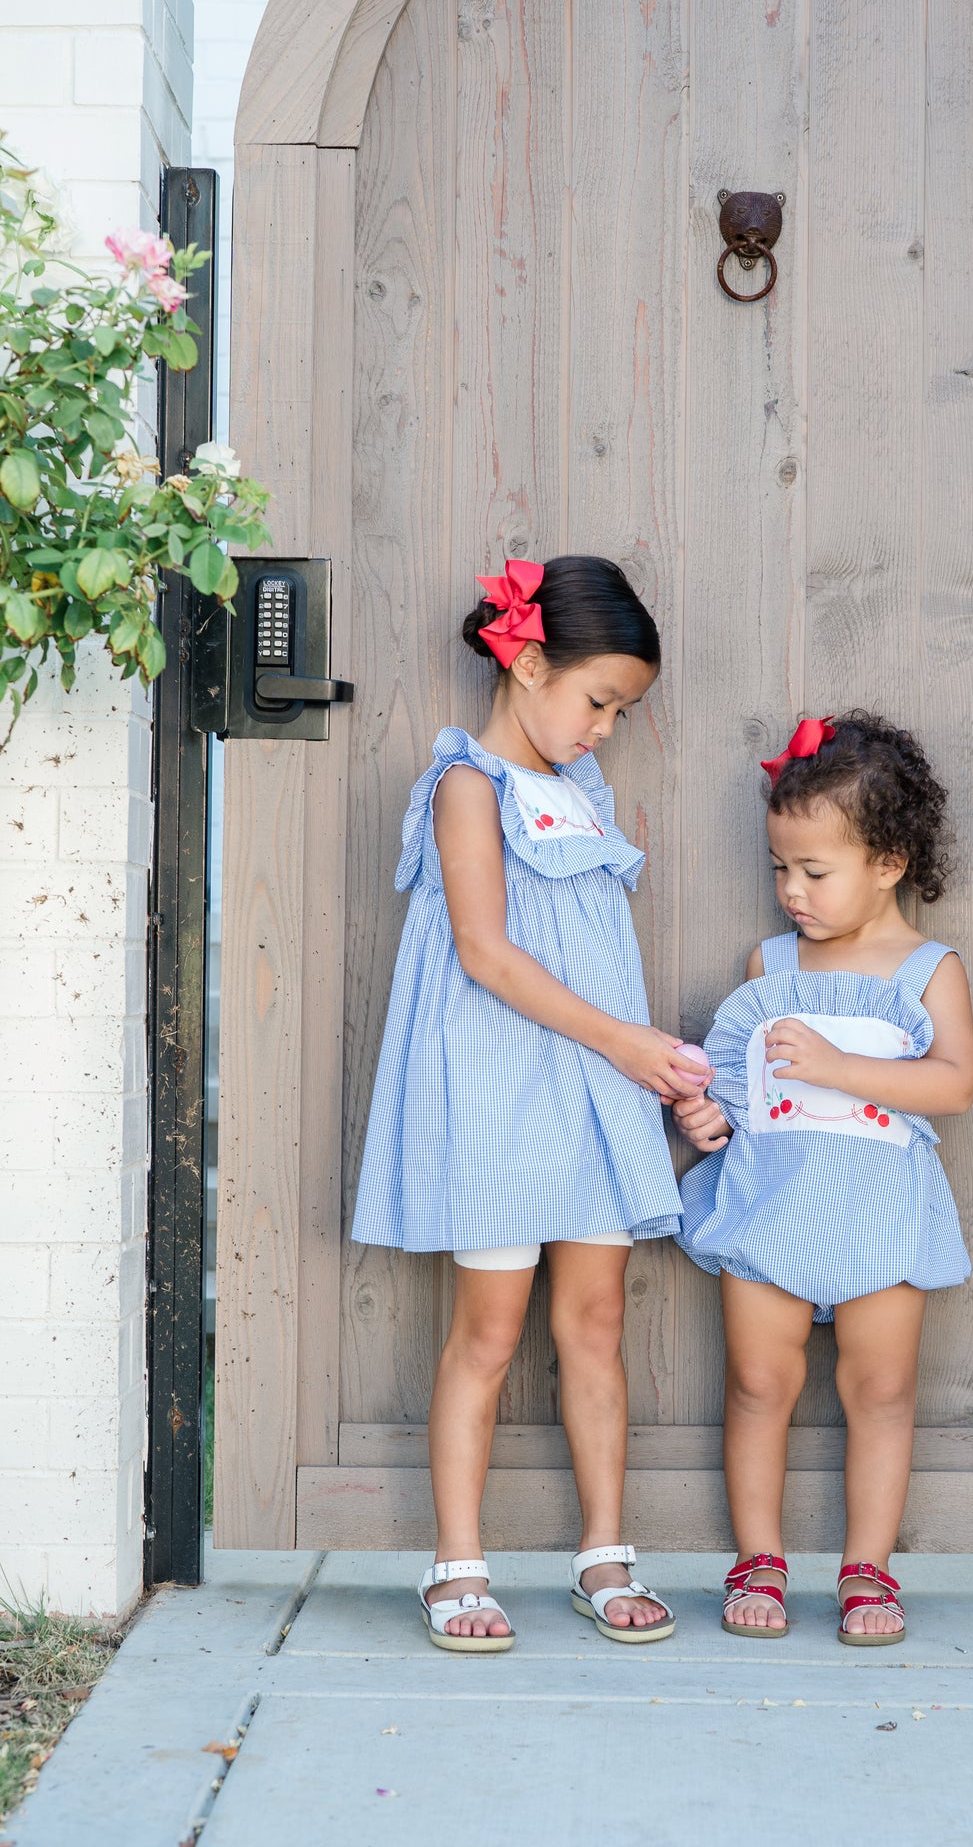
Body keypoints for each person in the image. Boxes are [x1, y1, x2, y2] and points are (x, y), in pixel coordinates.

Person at [353, 556, 706, 1652]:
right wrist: (631, 1043)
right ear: (528, 659)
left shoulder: (582, 793)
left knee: (596, 1324)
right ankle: (456, 1563)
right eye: (597, 699)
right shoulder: (469, 785)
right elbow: (486, 952)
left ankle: (604, 1550)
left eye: (622, 710)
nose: (605, 726)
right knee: (489, 1331)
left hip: (593, 1094)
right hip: (501, 1090)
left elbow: (590, 947)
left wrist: (642, 1060)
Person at [673, 712, 973, 1646]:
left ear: (886, 863)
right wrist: (706, 1115)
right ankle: (756, 1558)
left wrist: (842, 1069)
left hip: (880, 1218)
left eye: (813, 872)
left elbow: (954, 1083)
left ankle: (867, 1570)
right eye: (779, 868)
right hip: (772, 1203)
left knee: (879, 1392)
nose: (790, 891)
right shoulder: (771, 966)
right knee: (758, 1384)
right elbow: (740, 1089)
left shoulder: (928, 971)